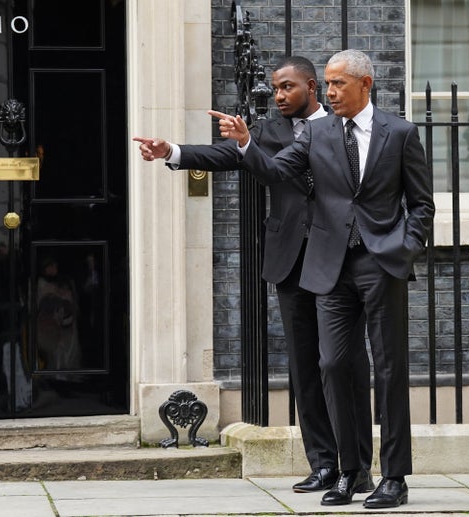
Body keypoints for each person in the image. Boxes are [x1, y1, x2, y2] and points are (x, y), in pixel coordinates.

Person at [133, 56, 374, 495]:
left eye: (286, 88)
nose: (278, 96)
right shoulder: (265, 132)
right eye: (274, 89)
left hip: (338, 261)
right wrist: (173, 152)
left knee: (343, 364)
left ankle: (357, 467)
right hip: (290, 261)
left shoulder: (343, 126)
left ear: (312, 87)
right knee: (304, 368)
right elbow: (227, 155)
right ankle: (323, 464)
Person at [212, 49, 435, 508]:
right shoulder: (316, 132)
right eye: (327, 84)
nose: (329, 92)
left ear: (365, 84)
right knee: (332, 364)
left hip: (381, 262)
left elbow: (421, 204)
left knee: (390, 369)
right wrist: (246, 144)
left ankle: (395, 476)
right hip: (330, 265)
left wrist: (405, 246)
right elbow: (275, 171)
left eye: (338, 84)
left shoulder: (401, 132)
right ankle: (351, 471)